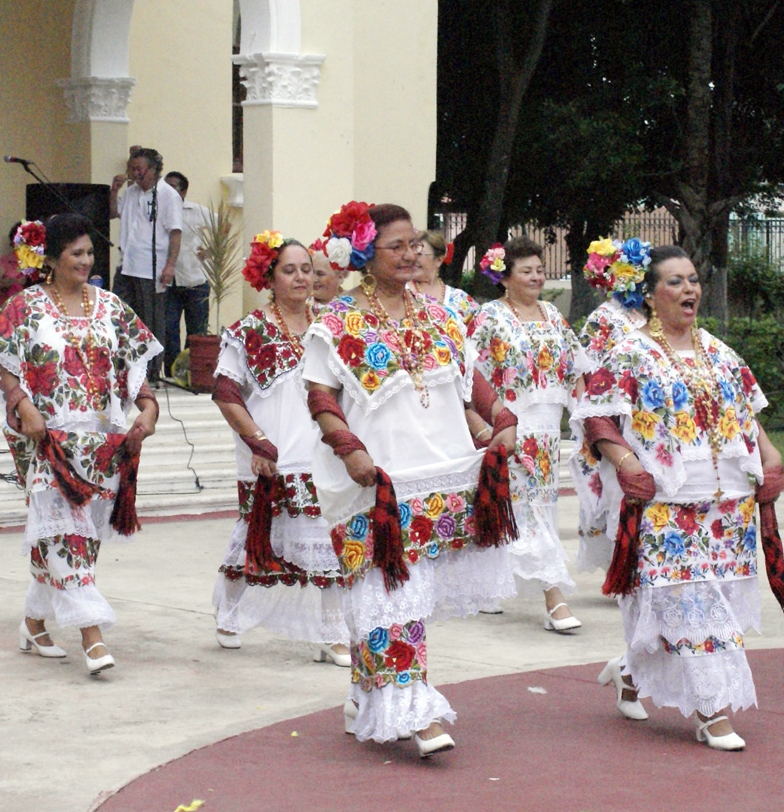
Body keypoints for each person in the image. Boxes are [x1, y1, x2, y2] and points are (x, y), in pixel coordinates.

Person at [302, 201, 518, 757]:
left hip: (437, 476)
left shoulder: (442, 312)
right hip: (374, 480)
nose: (410, 254)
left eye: (414, 243)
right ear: (364, 255)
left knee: (405, 598)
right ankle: (413, 712)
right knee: (390, 596)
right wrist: (348, 449)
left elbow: (472, 381)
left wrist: (501, 420)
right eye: (395, 246)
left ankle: (363, 692)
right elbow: (321, 396)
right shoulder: (337, 320)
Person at [573, 245, 784, 751]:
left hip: (728, 506)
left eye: (692, 279)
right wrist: (626, 462)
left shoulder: (719, 351)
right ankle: (710, 711)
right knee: (693, 609)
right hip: (667, 507)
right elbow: (595, 415)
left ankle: (633, 673)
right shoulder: (629, 351)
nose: (688, 289)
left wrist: (771, 456)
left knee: (722, 604)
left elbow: (747, 416)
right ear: (649, 296)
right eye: (674, 281)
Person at [0, 212, 161, 676]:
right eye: (76, 253)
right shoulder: (25, 306)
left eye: (89, 253)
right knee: (65, 533)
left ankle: (34, 622)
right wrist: (23, 404)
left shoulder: (110, 306)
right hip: (47, 439)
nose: (85, 261)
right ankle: (92, 636)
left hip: (102, 441)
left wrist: (148, 408)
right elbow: (0, 363)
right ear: (53, 257)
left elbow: (131, 366)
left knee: (82, 536)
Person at [210, 233, 350, 665]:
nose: (301, 278)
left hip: (323, 453)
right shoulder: (250, 331)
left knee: (330, 541)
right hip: (273, 453)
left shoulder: (332, 325)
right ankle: (230, 614)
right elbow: (226, 391)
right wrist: (256, 440)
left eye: (307, 269)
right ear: (269, 278)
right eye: (289, 270)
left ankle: (333, 634)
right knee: (256, 536)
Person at [467, 237, 590, 632]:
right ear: (504, 277)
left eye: (539, 269)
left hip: (548, 431)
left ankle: (488, 584)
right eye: (527, 270)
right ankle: (554, 598)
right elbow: (468, 373)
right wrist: (482, 424)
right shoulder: (489, 318)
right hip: (511, 427)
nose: (537, 276)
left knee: (535, 507)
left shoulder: (553, 314)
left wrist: (585, 418)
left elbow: (576, 369)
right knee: (531, 510)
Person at [571, 236, 651, 572]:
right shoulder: (604, 317)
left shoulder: (652, 312)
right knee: (620, 485)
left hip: (652, 414)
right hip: (617, 416)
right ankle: (623, 563)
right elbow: (588, 370)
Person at [110, 147, 182, 381]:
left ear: (153, 170)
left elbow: (175, 232)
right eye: (132, 168)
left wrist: (170, 266)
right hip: (126, 264)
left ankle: (152, 372)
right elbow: (113, 213)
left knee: (151, 319)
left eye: (139, 169)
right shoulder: (131, 193)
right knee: (119, 315)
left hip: (151, 267)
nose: (135, 173)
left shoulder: (167, 195)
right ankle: (124, 367)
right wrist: (114, 190)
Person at [162, 171, 209, 376]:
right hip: (169, 281)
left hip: (195, 279)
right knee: (170, 331)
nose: (169, 192)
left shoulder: (196, 210)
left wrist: (210, 250)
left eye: (174, 187)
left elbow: (223, 225)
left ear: (184, 191)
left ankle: (193, 375)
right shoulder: (160, 211)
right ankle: (173, 375)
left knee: (196, 333)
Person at [407, 230, 478, 327]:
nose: (413, 259)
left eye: (420, 254)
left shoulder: (460, 299)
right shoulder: (402, 292)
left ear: (438, 260)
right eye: (412, 254)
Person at [0, 222, 41, 314]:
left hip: (37, 308)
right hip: (12, 310)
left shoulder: (39, 260)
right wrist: (10, 282)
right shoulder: (6, 261)